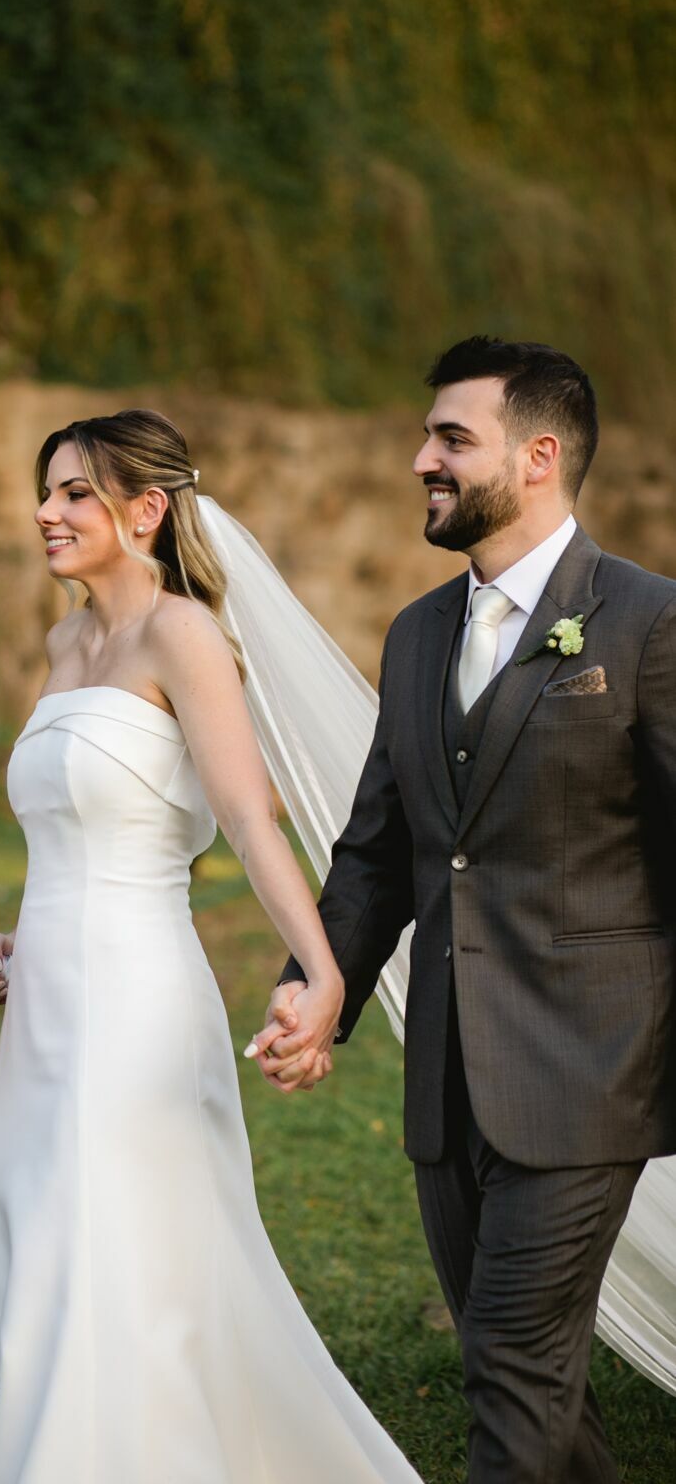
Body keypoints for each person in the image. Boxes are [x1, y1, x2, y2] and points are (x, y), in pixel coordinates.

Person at [0, 409, 421, 1483]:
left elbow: (251, 819)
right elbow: (78, 837)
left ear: (145, 510)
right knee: (38, 1240)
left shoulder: (182, 635)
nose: (46, 511)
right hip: (45, 1008)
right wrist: (5, 953)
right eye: (48, 491)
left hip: (134, 1004)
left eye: (75, 492)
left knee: (112, 1252)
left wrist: (322, 973)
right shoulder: (64, 643)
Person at [255, 337, 676, 1483]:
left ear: (537, 456)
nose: (417, 459)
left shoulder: (646, 624)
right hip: (443, 1081)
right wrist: (314, 985)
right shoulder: (415, 634)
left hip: (592, 1070)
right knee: (538, 1379)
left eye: (449, 438)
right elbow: (380, 854)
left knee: (505, 1362)